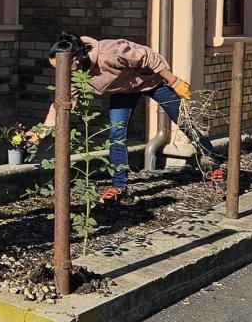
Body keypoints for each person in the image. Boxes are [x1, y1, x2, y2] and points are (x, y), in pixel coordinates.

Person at [32, 33, 225, 202]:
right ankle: (120, 187)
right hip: (123, 90)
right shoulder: (75, 75)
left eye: (60, 67)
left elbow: (149, 57)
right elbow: (59, 104)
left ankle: (214, 166)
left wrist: (173, 81)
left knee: (185, 123)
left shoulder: (110, 52)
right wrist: (40, 134)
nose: (60, 73)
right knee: (116, 134)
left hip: (152, 82)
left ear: (74, 60)